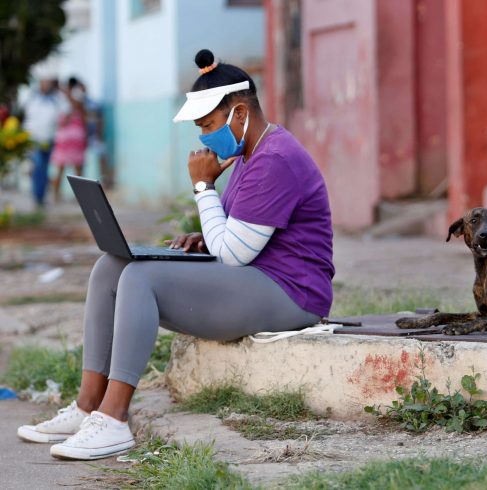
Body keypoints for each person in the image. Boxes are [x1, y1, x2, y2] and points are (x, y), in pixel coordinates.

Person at [16, 49, 335, 460]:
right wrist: (205, 235)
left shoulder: (275, 158)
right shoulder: (248, 156)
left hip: (292, 294)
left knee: (141, 278)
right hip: (258, 277)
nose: (204, 137)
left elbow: (235, 254)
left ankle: (113, 421)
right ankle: (87, 406)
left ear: (239, 113)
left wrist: (203, 188)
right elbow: (240, 235)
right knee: (112, 266)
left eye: (209, 125)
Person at [21, 77, 67, 207]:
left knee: (44, 168)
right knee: (39, 166)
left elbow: (66, 114)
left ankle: (40, 195)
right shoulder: (32, 99)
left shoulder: (57, 99)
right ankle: (38, 196)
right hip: (34, 139)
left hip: (50, 139)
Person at [50, 77, 89, 202]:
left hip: (76, 138)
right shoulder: (59, 98)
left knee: (78, 168)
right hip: (65, 138)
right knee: (60, 167)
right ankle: (56, 195)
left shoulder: (76, 96)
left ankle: (80, 196)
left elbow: (81, 111)